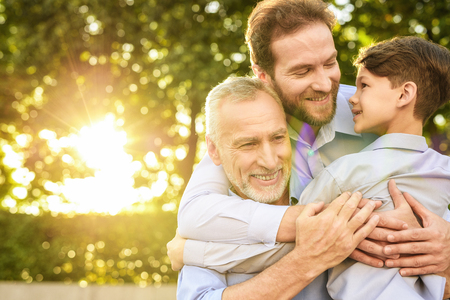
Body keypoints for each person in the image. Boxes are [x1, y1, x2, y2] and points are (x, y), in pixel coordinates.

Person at [172, 0, 450, 298]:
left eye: (330, 63)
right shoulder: (245, 136)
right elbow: (196, 214)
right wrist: (330, 227)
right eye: (303, 71)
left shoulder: (373, 113)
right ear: (262, 75)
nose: (324, 84)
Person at [175, 75, 380, 299]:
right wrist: (305, 262)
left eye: (277, 138)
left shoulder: (328, 186)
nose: (270, 161)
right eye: (248, 144)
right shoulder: (208, 225)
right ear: (213, 151)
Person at [293, 36, 450, 300]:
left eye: (364, 85)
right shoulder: (444, 170)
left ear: (404, 94)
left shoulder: (346, 172)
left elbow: (297, 229)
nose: (352, 99)